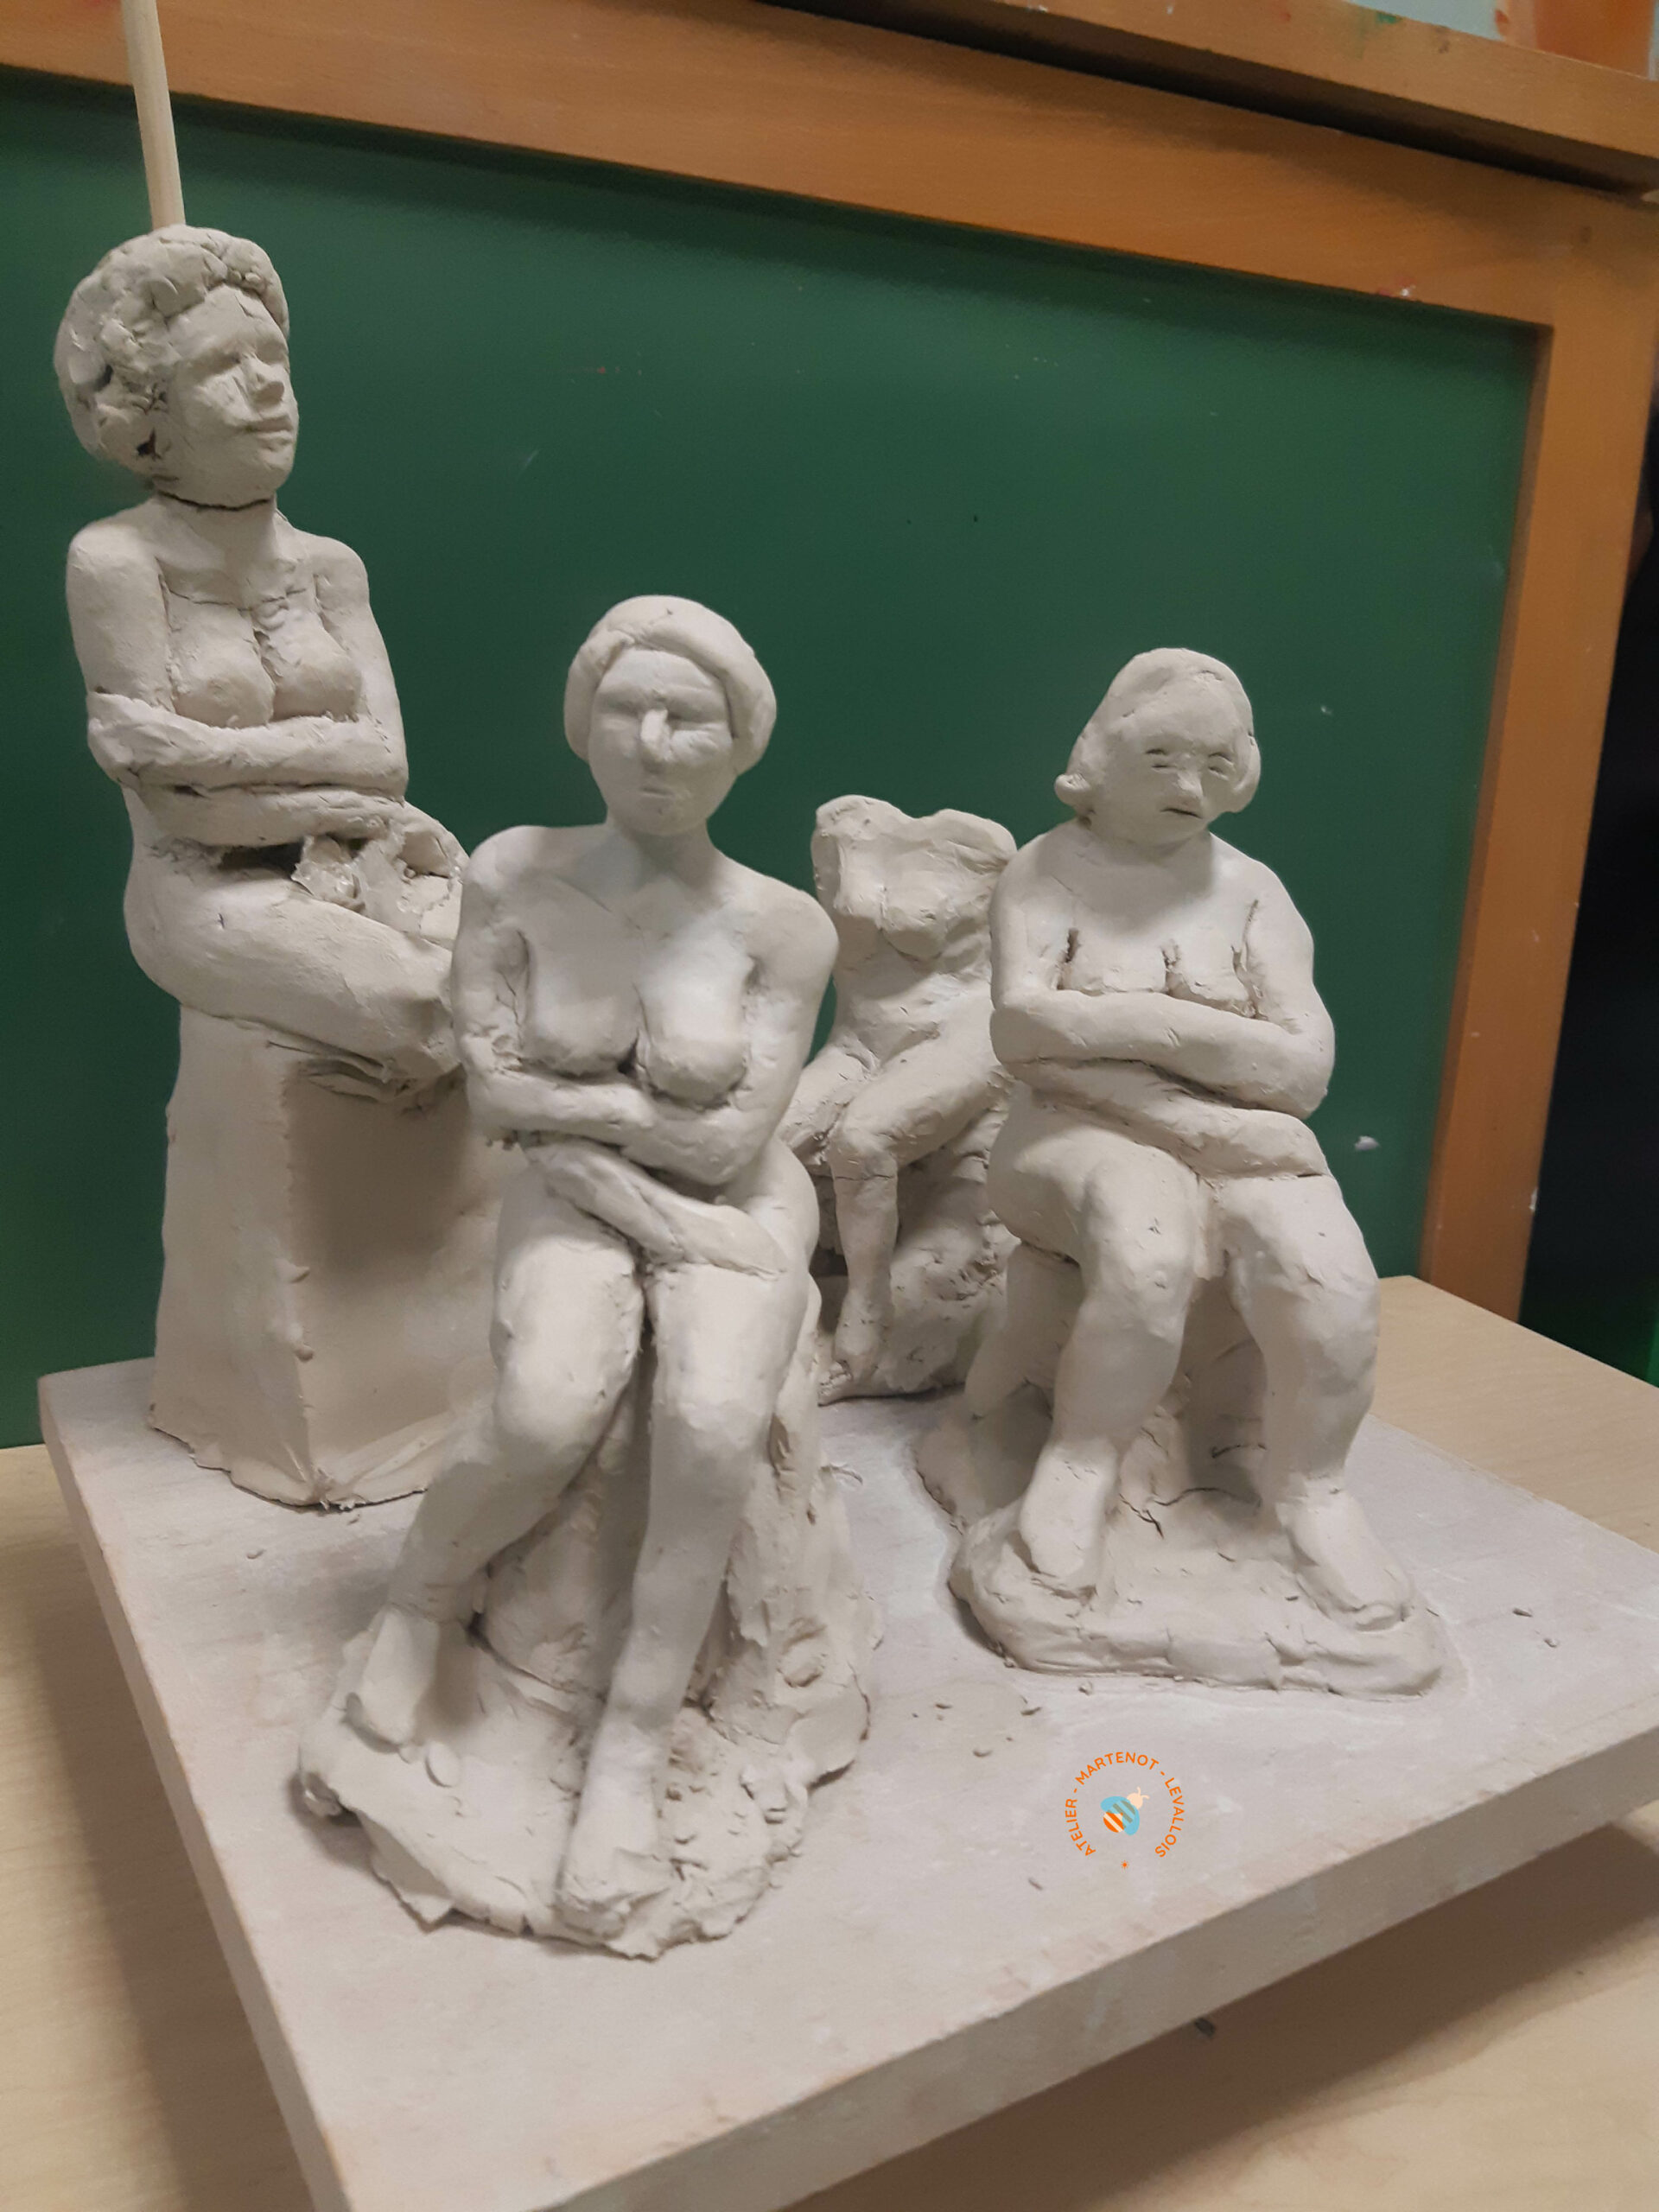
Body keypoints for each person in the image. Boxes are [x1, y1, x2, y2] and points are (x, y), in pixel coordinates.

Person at [349, 596, 838, 1938]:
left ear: (742, 743)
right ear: (583, 725)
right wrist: (626, 1164)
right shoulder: (512, 871)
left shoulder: (784, 926)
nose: (655, 742)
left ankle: (631, 1745)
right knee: (546, 1407)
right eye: (628, 710)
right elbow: (492, 1094)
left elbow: (731, 1137)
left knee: (712, 1422)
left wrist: (590, 1129)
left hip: (737, 1207)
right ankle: (415, 1605)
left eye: (692, 719)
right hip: (573, 1200)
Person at [969, 648, 1408, 1625]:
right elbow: (1026, 1037)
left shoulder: (1252, 891)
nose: (1189, 787)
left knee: (1329, 1275)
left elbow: (1302, 1071)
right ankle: (1081, 1465)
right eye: (1162, 757)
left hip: (1246, 1141)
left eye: (1216, 763)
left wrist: (1114, 1024)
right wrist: (1203, 1086)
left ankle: (1314, 1494)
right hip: (1070, 1136)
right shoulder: (1044, 874)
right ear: (1103, 753)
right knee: (1147, 1244)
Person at [58, 225, 459, 1090]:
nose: (269, 384)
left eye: (274, 357)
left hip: (374, 853)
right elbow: (186, 816)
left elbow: (387, 763)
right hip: (209, 893)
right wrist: (335, 782)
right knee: (434, 1006)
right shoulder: (117, 563)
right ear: (149, 417)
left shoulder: (330, 567)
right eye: (221, 366)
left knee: (528, 983)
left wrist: (202, 751)